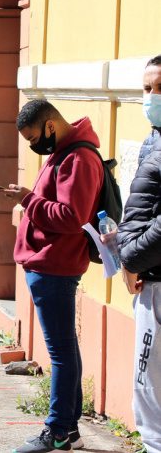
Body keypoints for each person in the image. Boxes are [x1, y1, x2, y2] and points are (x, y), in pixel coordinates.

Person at [0, 99, 103, 453]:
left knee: (60, 352)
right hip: (47, 264)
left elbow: (73, 218)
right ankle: (68, 430)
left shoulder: (79, 158)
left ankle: (58, 431)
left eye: (33, 138)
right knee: (64, 349)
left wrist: (28, 199)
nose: (33, 146)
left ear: (50, 126)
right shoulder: (63, 153)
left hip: (55, 266)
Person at [116, 55, 161, 453]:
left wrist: (130, 258)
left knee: (149, 385)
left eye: (160, 88)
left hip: (157, 283)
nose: (151, 97)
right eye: (147, 89)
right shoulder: (154, 139)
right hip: (151, 275)